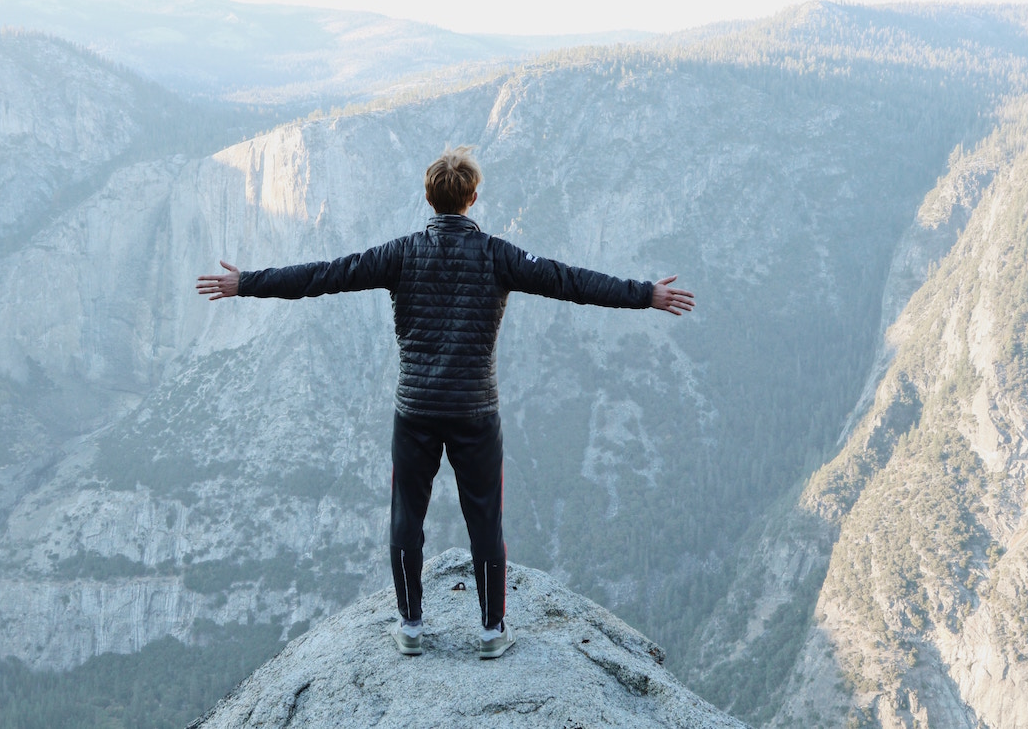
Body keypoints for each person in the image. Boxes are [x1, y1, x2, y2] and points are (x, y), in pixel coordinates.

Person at [196, 146, 695, 660]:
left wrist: (246, 283)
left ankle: (410, 627)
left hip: (414, 410)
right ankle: (491, 631)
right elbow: (570, 281)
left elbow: (324, 275)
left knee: (406, 516)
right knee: (485, 520)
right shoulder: (499, 256)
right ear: (473, 197)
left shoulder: (401, 253)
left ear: (428, 199)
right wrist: (645, 295)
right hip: (475, 412)